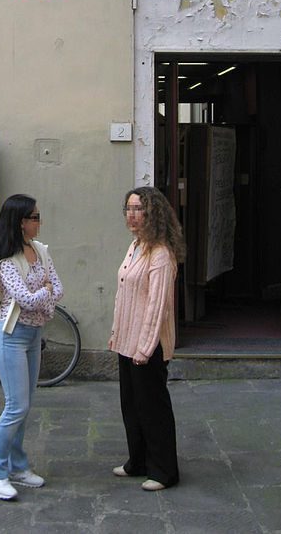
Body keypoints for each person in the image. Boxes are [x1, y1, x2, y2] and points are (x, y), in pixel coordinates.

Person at [0, 194, 63, 501]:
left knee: (25, 406)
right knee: (16, 406)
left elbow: (59, 287)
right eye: (35, 217)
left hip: (33, 335)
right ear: (21, 222)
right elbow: (25, 299)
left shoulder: (40, 250)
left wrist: (41, 292)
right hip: (11, 335)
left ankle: (17, 466)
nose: (39, 222)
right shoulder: (6, 261)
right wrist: (45, 292)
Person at [108, 186, 186, 492]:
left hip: (147, 347)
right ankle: (137, 461)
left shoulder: (161, 254)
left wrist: (145, 347)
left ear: (153, 213)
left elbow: (157, 307)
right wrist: (117, 335)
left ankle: (164, 471)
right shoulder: (136, 246)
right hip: (127, 343)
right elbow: (124, 296)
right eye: (128, 208)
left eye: (138, 209)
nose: (131, 215)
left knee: (153, 409)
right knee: (132, 406)